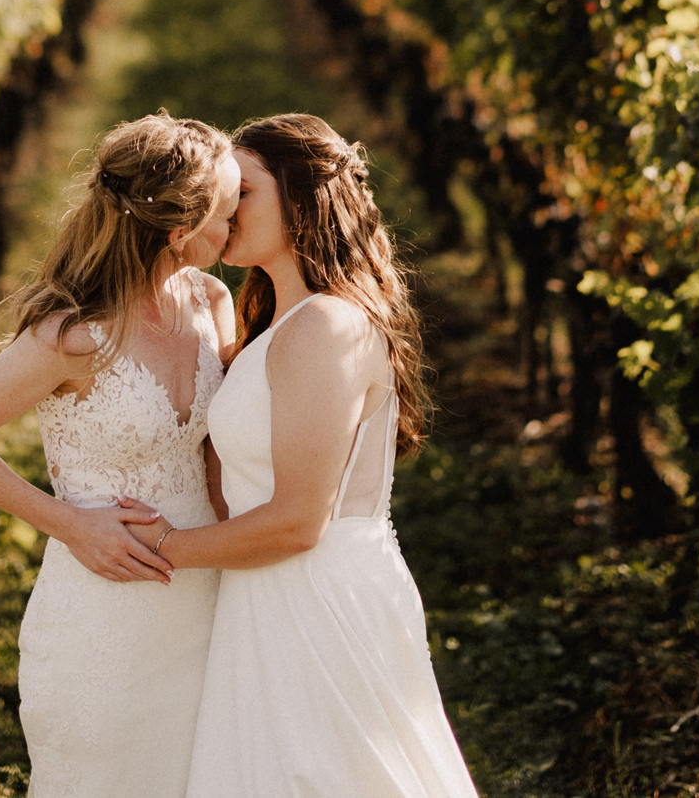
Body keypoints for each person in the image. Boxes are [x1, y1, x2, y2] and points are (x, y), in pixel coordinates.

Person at [130, 112, 480, 798]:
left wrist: (160, 547)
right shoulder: (278, 324)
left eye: (244, 191)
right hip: (268, 591)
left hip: (318, 596)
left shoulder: (325, 326)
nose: (224, 208)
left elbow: (297, 521)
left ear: (302, 197)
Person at [0, 112, 239, 798]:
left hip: (205, 589)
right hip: (104, 604)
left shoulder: (213, 301)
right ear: (179, 234)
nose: (236, 225)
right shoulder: (72, 337)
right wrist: (70, 523)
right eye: (228, 210)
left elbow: (218, 449)